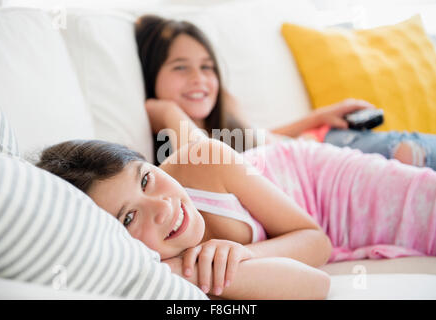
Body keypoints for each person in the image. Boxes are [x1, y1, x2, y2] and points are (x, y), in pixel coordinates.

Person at [36, 104, 436, 299]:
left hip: (329, 181)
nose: (161, 206)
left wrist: (236, 254)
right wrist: (188, 270)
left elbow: (315, 240)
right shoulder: (167, 268)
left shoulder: (203, 158)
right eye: (127, 217)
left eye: (146, 178)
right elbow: (315, 284)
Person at [135, 14, 436, 170]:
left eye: (207, 67)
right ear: (152, 76)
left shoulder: (225, 109)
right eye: (180, 67)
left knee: (410, 152)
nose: (199, 79)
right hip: (325, 164)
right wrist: (167, 112)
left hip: (327, 142)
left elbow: (260, 139)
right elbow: (211, 161)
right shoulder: (170, 127)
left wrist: (319, 116)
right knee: (409, 157)